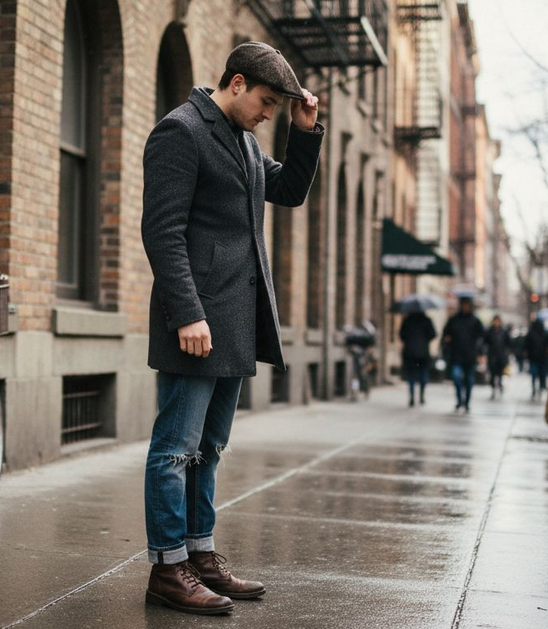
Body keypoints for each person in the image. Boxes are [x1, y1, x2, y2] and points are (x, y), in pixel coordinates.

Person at [141, 41, 323, 615]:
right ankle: (167, 567)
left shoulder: (244, 142)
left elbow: (290, 190)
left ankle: (200, 555)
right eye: (266, 102)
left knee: (209, 450)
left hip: (236, 322)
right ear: (237, 83)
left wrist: (306, 129)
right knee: (175, 450)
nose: (267, 114)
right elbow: (162, 232)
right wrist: (187, 313)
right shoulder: (182, 132)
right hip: (196, 322)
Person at [442, 297, 485, 412]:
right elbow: (446, 334)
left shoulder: (475, 321)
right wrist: (447, 344)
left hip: (470, 356)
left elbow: (482, 337)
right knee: (456, 377)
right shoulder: (454, 320)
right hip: (456, 355)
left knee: (469, 380)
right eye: (464, 305)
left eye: (467, 305)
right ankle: (459, 399)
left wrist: (480, 352)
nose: (465, 307)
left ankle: (467, 402)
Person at [399, 312, 436, 407]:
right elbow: (433, 334)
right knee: (423, 374)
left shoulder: (407, 320)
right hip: (423, 352)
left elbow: (402, 335)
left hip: (410, 352)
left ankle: (411, 397)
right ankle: (421, 396)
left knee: (411, 375)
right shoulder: (427, 320)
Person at [524, 317, 548, 399]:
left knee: (538, 374)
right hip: (538, 358)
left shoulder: (533, 333)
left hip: (538, 358)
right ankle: (538, 387)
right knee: (538, 373)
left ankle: (539, 387)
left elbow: (526, 344)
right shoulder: (541, 333)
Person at [483, 316, 512, 399]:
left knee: (499, 373)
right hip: (492, 355)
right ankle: (493, 388)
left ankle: (499, 384)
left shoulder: (503, 332)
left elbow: (508, 343)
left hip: (501, 356)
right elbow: (485, 342)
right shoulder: (489, 331)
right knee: (492, 373)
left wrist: (507, 352)